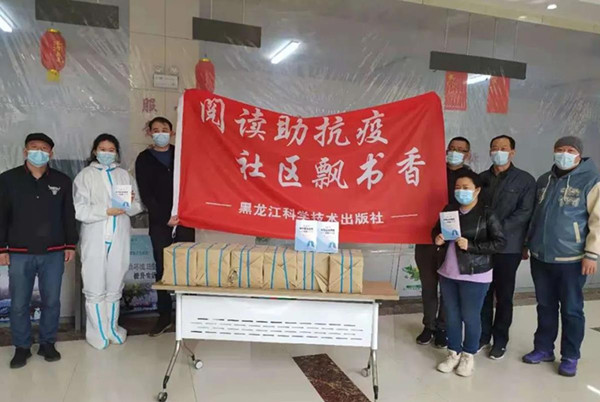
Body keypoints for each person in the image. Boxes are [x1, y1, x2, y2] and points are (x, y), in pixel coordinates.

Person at [522, 136, 599, 377]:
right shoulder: (545, 180)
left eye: (570, 150)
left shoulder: (592, 180)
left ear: (579, 155)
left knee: (572, 309)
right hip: (541, 256)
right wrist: (527, 243)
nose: (564, 154)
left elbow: (597, 221)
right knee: (545, 306)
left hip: (572, 259)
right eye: (559, 149)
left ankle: (570, 356)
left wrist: (592, 254)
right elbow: (534, 215)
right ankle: (543, 348)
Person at [0, 133, 78, 368]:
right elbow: (1, 215)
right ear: (25, 151)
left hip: (53, 251)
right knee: (19, 303)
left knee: (51, 301)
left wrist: (70, 244)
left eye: (44, 148)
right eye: (34, 147)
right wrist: (1, 248)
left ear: (51, 153)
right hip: (19, 251)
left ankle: (47, 343)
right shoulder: (8, 179)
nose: (39, 152)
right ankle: (22, 346)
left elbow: (68, 214)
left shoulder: (62, 180)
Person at [433, 170, 506, 377]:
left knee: (470, 316)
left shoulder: (487, 214)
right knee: (451, 315)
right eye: (458, 188)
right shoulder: (450, 210)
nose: (461, 192)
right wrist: (437, 238)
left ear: (477, 190)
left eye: (466, 188)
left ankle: (468, 355)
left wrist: (472, 246)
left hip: (475, 273)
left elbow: (499, 242)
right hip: (448, 272)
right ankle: (453, 352)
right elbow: (436, 230)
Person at [74, 134, 142, 350]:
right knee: (94, 284)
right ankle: (97, 333)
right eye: (102, 149)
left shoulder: (124, 175)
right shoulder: (85, 176)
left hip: (120, 235)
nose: (106, 153)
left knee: (115, 283)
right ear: (95, 151)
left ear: (116, 152)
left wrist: (129, 204)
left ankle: (112, 328)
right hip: (95, 235)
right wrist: (106, 211)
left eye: (111, 150)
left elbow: (136, 207)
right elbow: (79, 209)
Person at [135, 117, 194, 336]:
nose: (161, 133)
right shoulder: (144, 159)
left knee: (186, 266)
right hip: (161, 223)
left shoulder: (182, 155)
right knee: (162, 267)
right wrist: (164, 217)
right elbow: (146, 193)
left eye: (165, 129)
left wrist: (186, 213)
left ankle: (186, 316)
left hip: (185, 220)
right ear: (149, 133)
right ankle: (164, 316)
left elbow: (193, 184)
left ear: (172, 132)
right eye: (156, 130)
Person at [478, 135, 536, 359]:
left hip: (508, 247)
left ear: (512, 152)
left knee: (503, 296)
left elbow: (524, 212)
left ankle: (500, 340)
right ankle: (483, 336)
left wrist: (495, 228)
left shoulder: (524, 180)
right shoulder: (481, 178)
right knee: (483, 293)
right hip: (483, 245)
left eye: (503, 148)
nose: (498, 151)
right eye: (494, 148)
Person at [415, 137, 472, 348]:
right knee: (428, 285)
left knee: (448, 288)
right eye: (452, 148)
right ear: (446, 150)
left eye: (461, 150)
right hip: (427, 238)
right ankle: (428, 326)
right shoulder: (429, 173)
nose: (455, 152)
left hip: (454, 242)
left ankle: (442, 328)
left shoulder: (470, 179)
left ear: (467, 154)